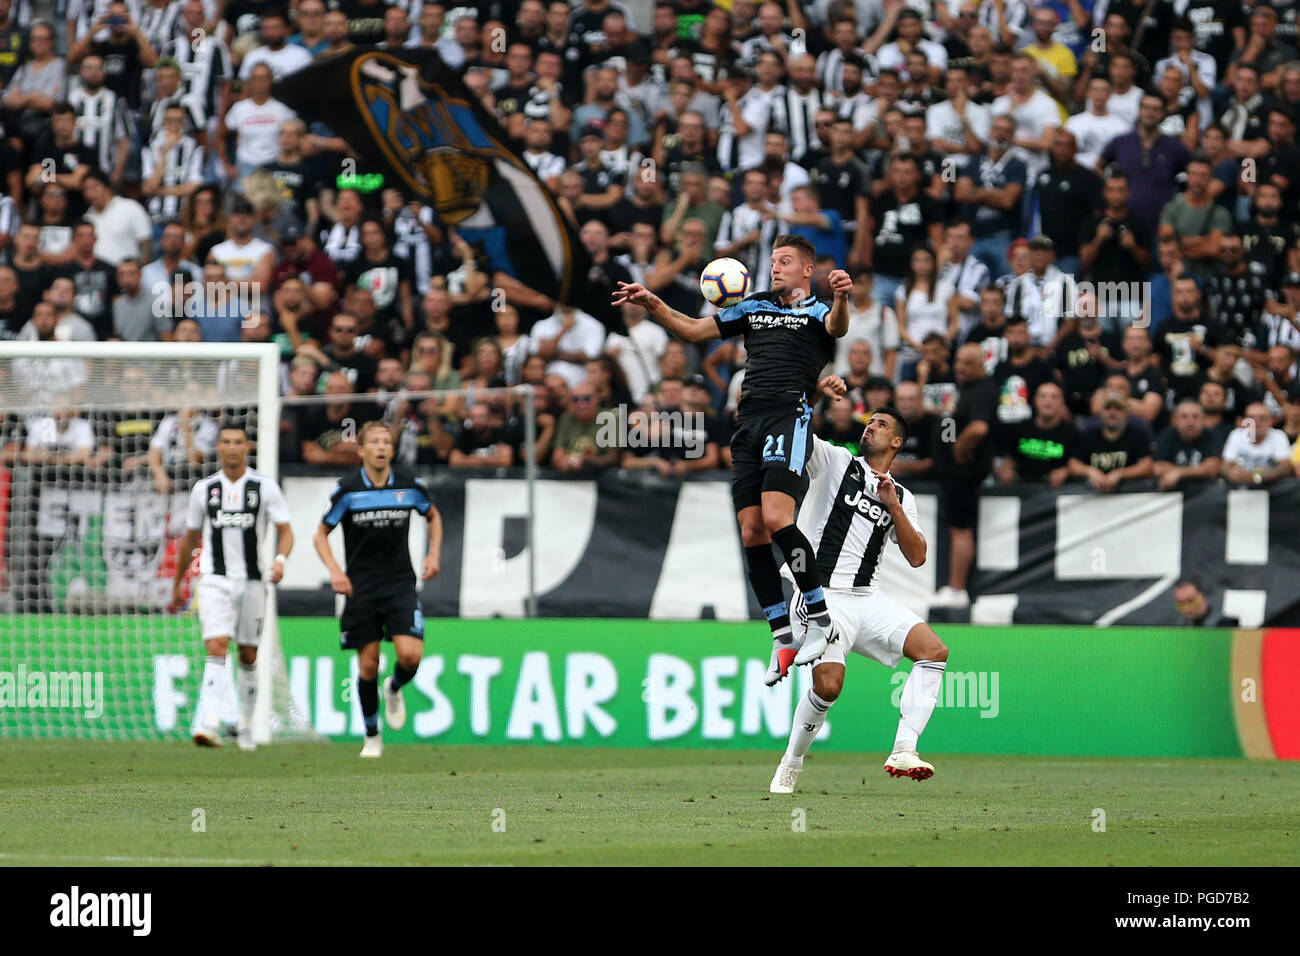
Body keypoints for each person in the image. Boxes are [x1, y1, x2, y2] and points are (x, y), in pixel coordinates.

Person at [613, 234, 850, 684]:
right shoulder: (754, 307)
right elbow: (692, 329)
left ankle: (820, 620)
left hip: (788, 416)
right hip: (747, 423)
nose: (775, 267)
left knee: (779, 518)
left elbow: (838, 328)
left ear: (806, 270)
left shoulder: (821, 311)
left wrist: (842, 297)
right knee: (751, 529)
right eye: (773, 260)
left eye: (785, 261)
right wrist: (652, 303)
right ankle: (782, 635)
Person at [769, 402, 949, 793]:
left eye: (881, 425)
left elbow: (917, 556)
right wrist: (813, 393)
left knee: (934, 651)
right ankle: (791, 762)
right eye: (868, 423)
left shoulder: (902, 495)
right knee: (830, 686)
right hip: (821, 594)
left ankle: (904, 749)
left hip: (867, 598)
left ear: (896, 441)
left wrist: (893, 505)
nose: (870, 428)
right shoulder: (835, 461)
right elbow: (795, 431)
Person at [314, 422, 443, 758]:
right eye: (375, 441)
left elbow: (433, 515)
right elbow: (320, 534)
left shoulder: (409, 485)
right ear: (362, 450)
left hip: (400, 583)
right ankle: (372, 735)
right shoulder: (348, 490)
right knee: (368, 664)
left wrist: (433, 554)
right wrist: (335, 572)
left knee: (410, 656)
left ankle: (395, 686)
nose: (382, 447)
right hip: (361, 587)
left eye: (387, 441)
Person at [172, 421, 293, 750]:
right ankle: (209, 724)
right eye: (225, 441)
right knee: (216, 646)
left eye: (238, 441)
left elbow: (286, 530)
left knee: (248, 655)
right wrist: (177, 581)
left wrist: (280, 559)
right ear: (219, 448)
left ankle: (245, 725)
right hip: (215, 580)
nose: (232, 447)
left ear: (247, 446)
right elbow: (190, 540)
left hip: (254, 582)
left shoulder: (264, 487)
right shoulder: (204, 488)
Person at [1068, 390, 1155, 491]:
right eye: (1107, 407)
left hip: (1129, 497)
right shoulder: (1090, 435)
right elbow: (1073, 464)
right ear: (1101, 412)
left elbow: (1147, 466)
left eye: (1118, 408)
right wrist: (1089, 471)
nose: (1112, 412)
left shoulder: (1137, 434)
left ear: (1127, 413)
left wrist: (1120, 473)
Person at [994, 380, 1077, 486]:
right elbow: (1010, 457)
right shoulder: (1021, 428)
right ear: (1035, 400)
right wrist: (1007, 470)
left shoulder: (1072, 433)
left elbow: (1078, 462)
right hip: (1023, 487)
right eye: (1043, 396)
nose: (1048, 401)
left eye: (1054, 397)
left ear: (1062, 402)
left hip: (1057, 491)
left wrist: (1066, 471)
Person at [1154, 397, 1224, 489]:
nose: (1190, 421)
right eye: (1184, 416)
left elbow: (1213, 468)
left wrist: (1179, 472)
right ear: (1175, 420)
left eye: (1195, 416)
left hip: (1207, 492)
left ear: (1203, 420)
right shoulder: (1167, 435)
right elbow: (1158, 468)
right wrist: (1199, 470)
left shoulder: (1212, 435)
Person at [1219, 401, 1295, 485]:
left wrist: (1256, 477)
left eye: (1262, 418)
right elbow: (1224, 467)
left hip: (1271, 487)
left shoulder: (1278, 435)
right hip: (1241, 487)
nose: (1256, 422)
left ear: (1270, 421)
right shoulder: (1236, 435)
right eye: (1251, 418)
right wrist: (1232, 474)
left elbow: (1286, 468)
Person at [1173, 577, 1240, 627]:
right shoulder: (1180, 627)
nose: (1187, 608)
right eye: (1181, 603)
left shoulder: (1226, 625)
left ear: (1204, 598)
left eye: (1191, 601)